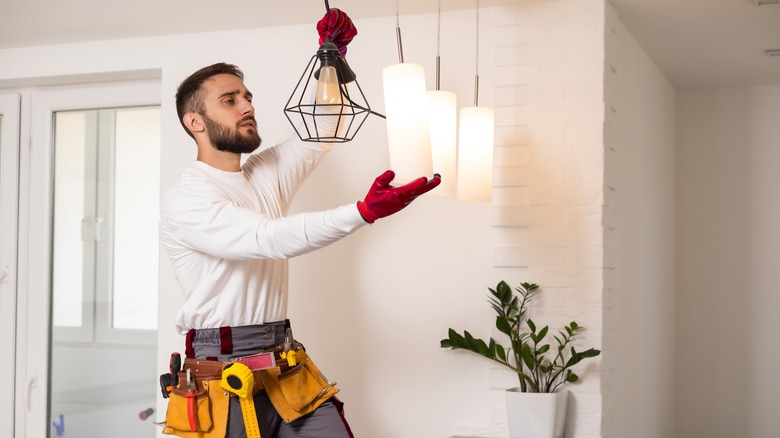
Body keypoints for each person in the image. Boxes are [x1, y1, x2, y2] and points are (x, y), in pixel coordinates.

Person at [160, 62, 439, 438]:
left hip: (282, 361)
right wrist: (362, 211)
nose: (247, 107)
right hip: (218, 374)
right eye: (230, 100)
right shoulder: (187, 197)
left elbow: (324, 128)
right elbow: (266, 238)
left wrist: (331, 60)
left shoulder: (264, 173)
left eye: (247, 97)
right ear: (195, 122)